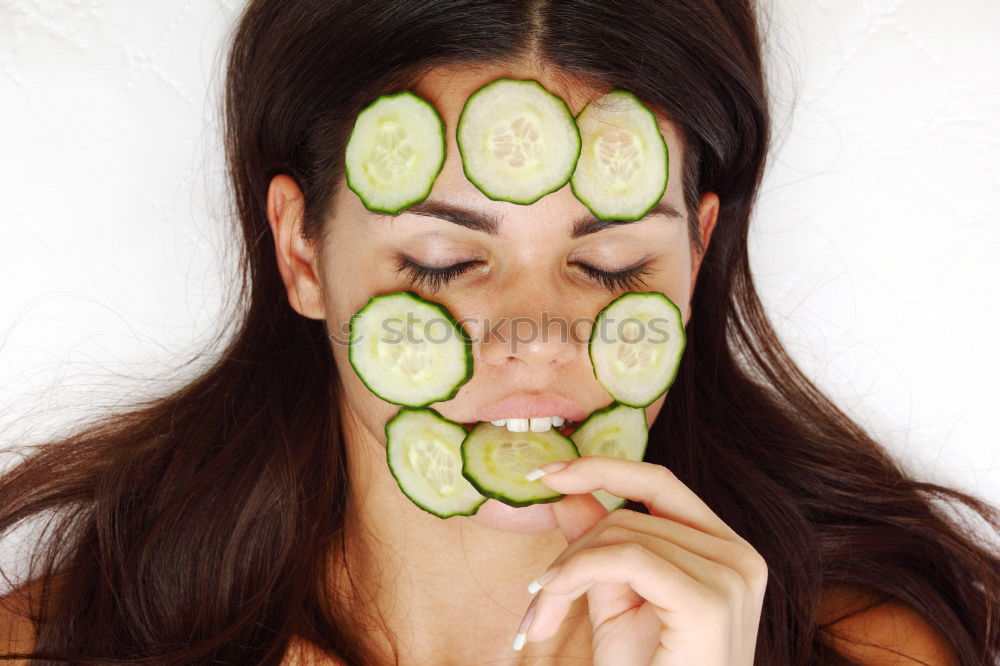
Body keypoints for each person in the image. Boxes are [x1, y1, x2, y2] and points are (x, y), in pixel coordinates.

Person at [1, 0, 998, 664]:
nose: (538, 340)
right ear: (301, 254)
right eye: (441, 263)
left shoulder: (874, 650)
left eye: (611, 266)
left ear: (695, 260)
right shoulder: (51, 643)